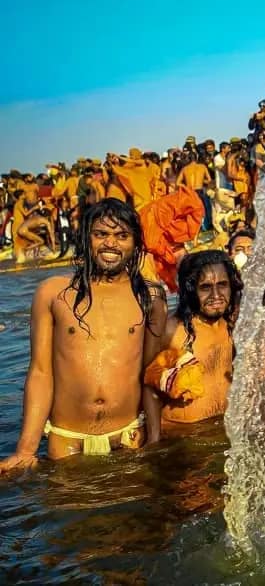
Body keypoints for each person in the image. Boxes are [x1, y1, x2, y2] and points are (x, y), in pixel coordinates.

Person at [0, 199, 166, 471]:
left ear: (135, 243)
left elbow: (150, 374)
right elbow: (41, 373)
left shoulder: (150, 297)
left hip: (128, 436)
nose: (111, 243)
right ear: (86, 238)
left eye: (122, 236)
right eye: (101, 234)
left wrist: (155, 440)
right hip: (67, 440)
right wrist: (25, 449)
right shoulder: (53, 292)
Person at [144, 251, 242, 435]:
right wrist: (154, 439)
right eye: (205, 287)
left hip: (226, 430)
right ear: (191, 290)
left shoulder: (236, 327)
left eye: (222, 285)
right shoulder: (171, 331)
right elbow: (149, 385)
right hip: (183, 435)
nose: (216, 294)